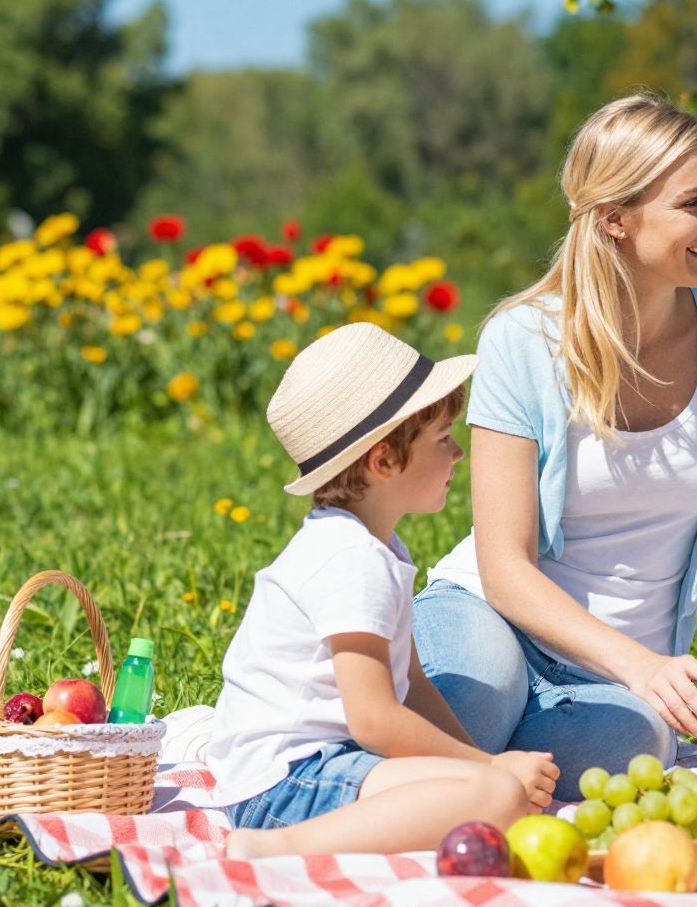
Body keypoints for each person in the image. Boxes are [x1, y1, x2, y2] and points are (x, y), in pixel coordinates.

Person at [413, 95, 697, 793]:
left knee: (632, 749)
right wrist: (639, 665)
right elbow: (503, 566)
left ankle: (476, 769)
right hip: (495, 618)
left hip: (623, 681)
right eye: (695, 203)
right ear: (614, 219)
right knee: (476, 697)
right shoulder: (526, 339)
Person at [203, 324, 560, 859]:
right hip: (286, 785)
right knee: (496, 793)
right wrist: (488, 768)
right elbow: (375, 718)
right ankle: (278, 848)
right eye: (441, 438)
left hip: (324, 764)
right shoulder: (352, 561)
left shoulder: (378, 549)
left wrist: (470, 759)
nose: (457, 453)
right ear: (384, 460)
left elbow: (410, 683)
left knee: (492, 792)